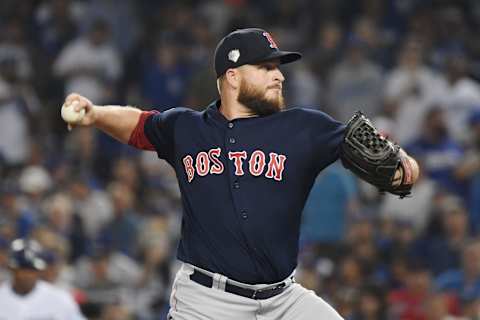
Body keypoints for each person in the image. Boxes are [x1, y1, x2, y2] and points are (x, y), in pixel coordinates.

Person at [61, 28, 419, 320]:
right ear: (232, 76)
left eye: (278, 67)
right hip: (206, 302)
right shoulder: (186, 128)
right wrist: (95, 114)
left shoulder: (304, 127)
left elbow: (395, 165)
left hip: (283, 301)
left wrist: (403, 164)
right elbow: (139, 125)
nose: (278, 75)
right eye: (266, 67)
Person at [0, 238, 85, 319]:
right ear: (11, 269)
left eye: (32, 270)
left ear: (40, 270)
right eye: (22, 269)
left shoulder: (60, 299)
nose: (27, 275)